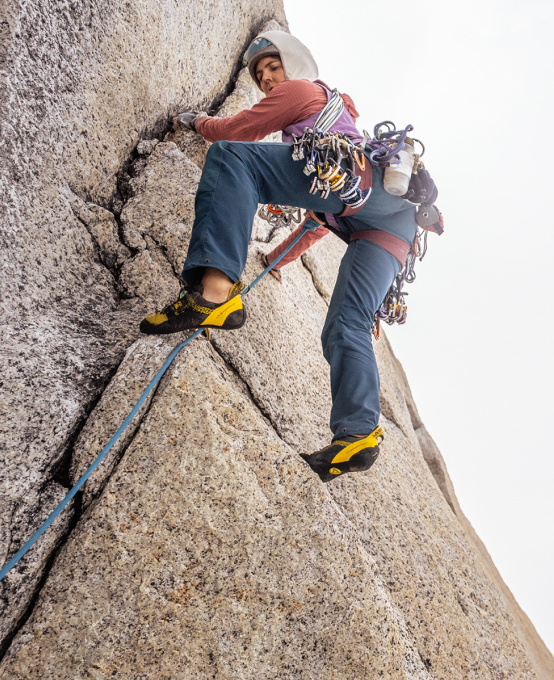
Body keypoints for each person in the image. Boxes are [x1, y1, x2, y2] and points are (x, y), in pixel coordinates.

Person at [139, 31, 421, 483]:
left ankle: (214, 297)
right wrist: (275, 259)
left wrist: (198, 124)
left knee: (232, 159)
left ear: (294, 65)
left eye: (273, 67)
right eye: (259, 75)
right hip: (392, 227)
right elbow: (317, 225)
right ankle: (359, 435)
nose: (268, 79)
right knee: (346, 326)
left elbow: (237, 132)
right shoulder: (333, 124)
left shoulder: (304, 91)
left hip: (358, 183)